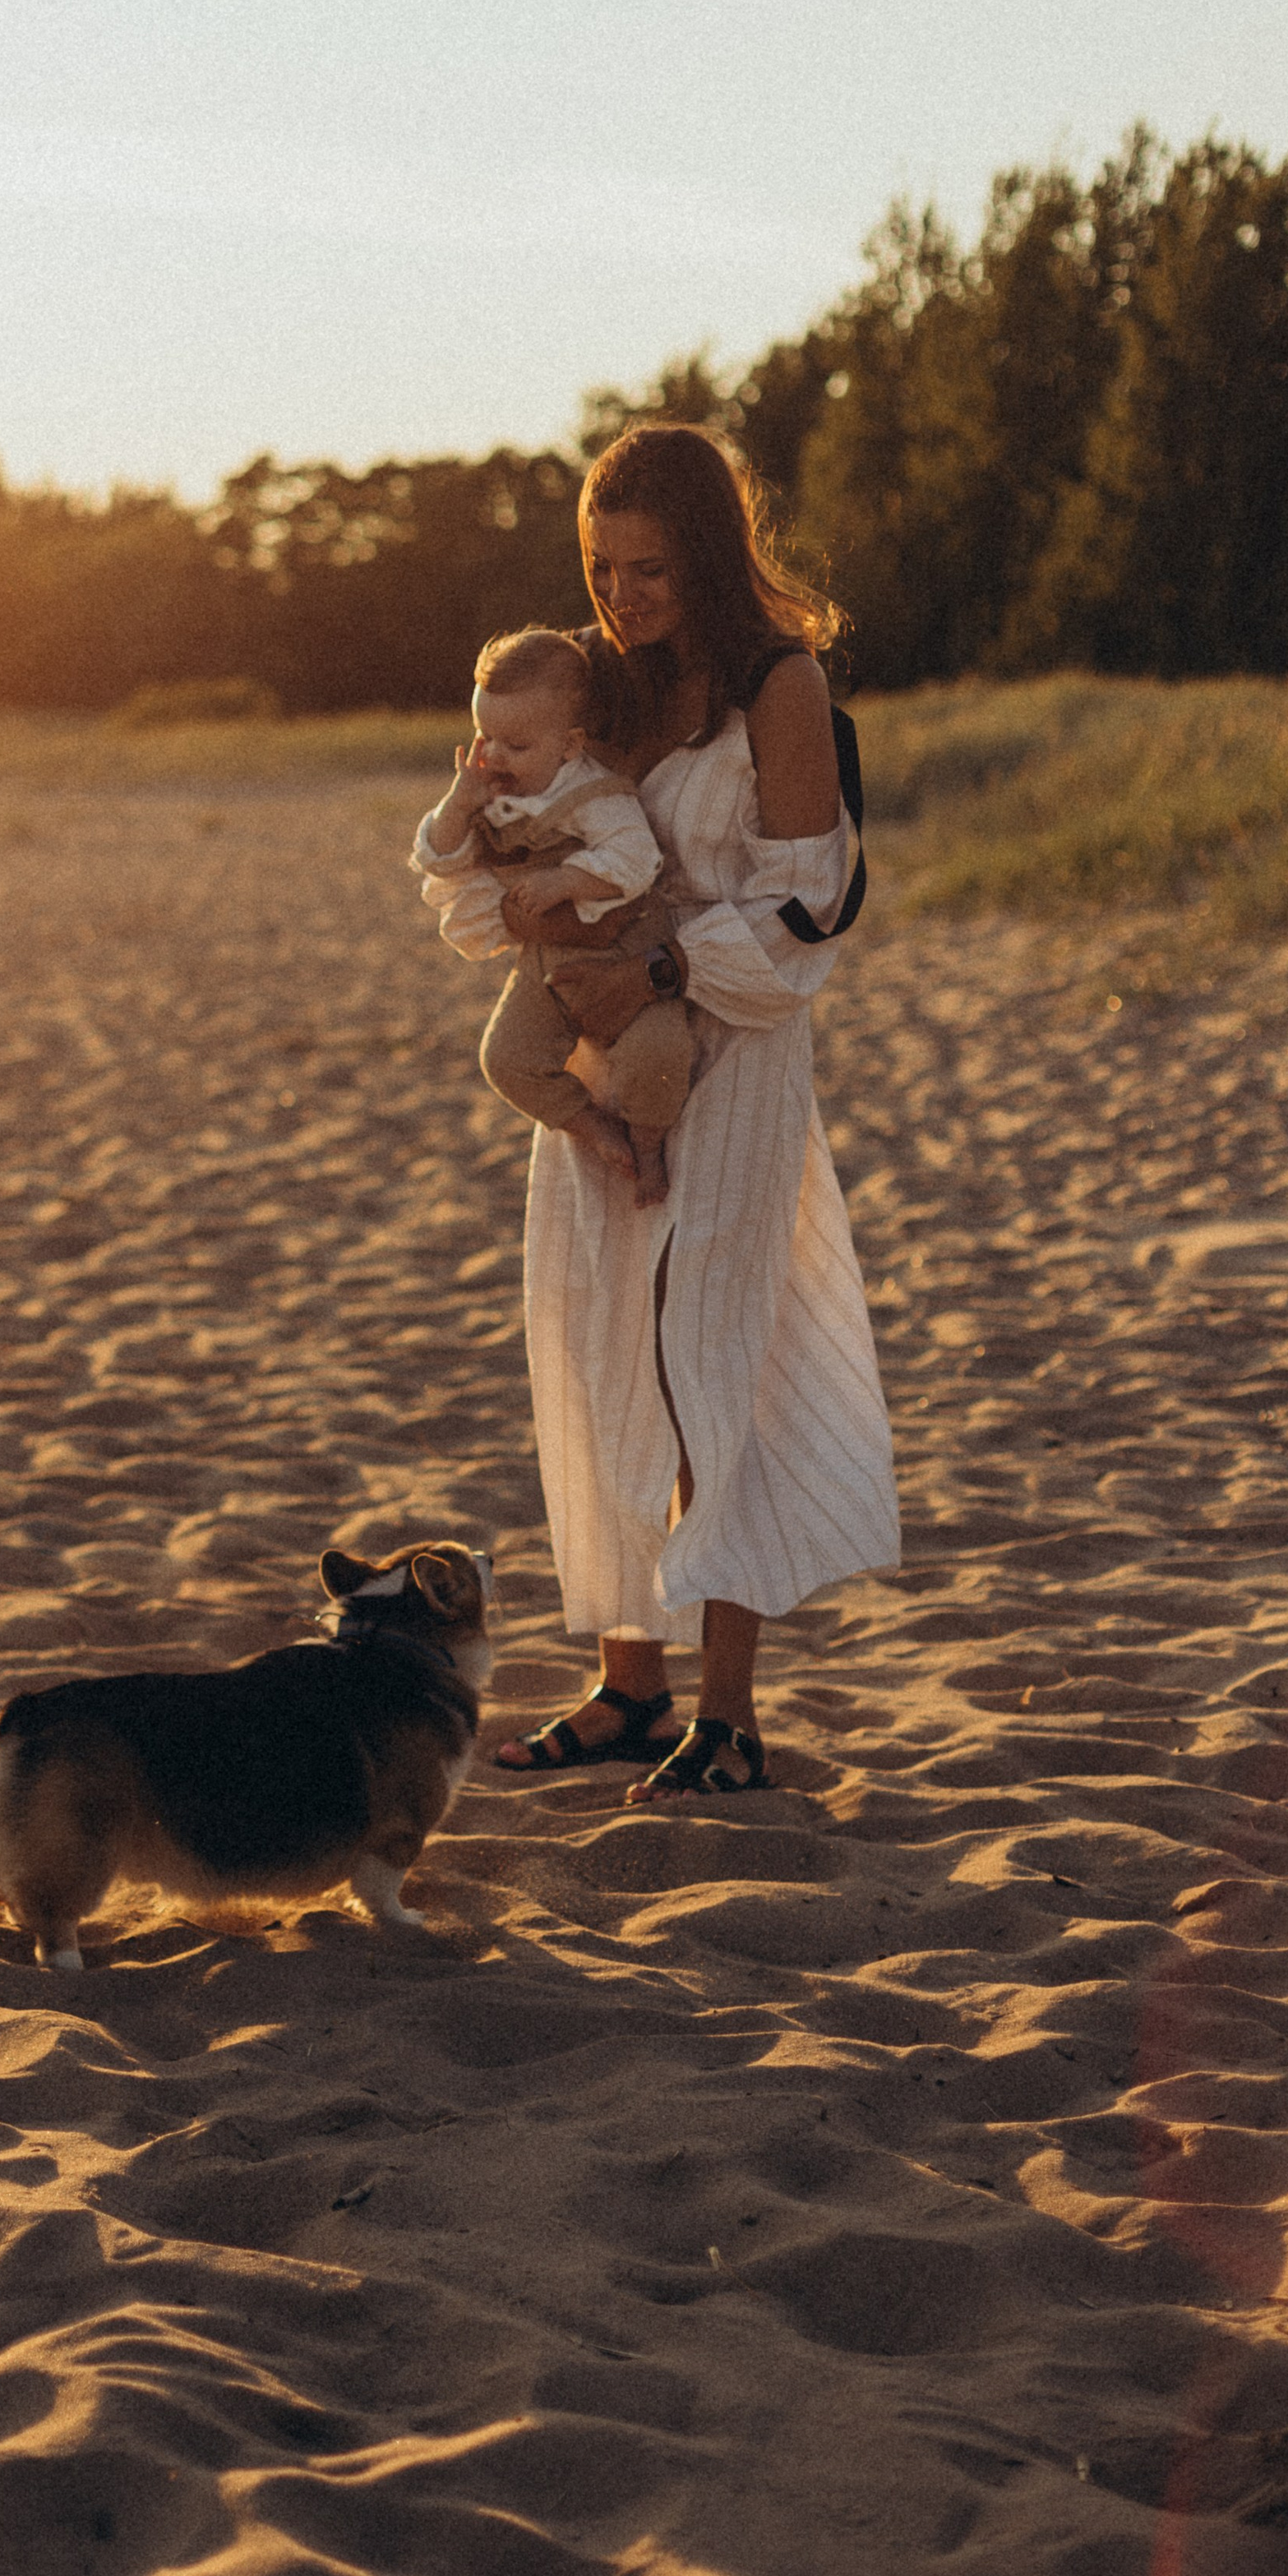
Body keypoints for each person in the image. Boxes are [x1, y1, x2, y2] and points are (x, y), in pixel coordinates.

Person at [494, 423, 900, 1798]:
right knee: (601, 1334)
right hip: (611, 1058)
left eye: (650, 567)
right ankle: (631, 1687)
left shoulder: (777, 687)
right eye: (603, 567)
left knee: (707, 1355)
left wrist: (661, 964)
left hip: (732, 1054)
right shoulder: (602, 685)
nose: (622, 593)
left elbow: (807, 914)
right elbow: (547, 832)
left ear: (712, 556)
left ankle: (729, 1713)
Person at [411, 627, 692, 1198]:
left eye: (516, 745)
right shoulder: (488, 792)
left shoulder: (595, 794)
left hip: (628, 948)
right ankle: (591, 1127)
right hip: (548, 961)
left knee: (659, 1053)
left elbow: (636, 858)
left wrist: (568, 879)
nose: (493, 756)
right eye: (484, 736)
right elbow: (438, 859)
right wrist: (456, 805)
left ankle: (646, 1147)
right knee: (506, 1059)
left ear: (569, 745)